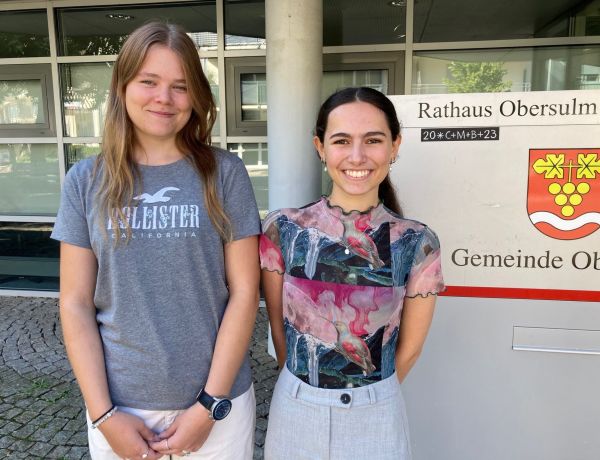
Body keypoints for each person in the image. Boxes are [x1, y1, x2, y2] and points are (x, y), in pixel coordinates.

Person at [51, 22, 260, 460]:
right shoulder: (85, 182)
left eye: (180, 86)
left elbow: (244, 292)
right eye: (149, 81)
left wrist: (209, 406)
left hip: (217, 407)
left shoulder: (225, 174)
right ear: (123, 85)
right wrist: (103, 415)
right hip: (122, 410)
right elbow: (74, 303)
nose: (164, 98)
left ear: (197, 97)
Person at [259, 87, 445, 460]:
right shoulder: (283, 229)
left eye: (373, 140)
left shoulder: (418, 242)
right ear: (320, 147)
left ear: (394, 146)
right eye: (341, 140)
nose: (357, 156)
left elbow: (409, 349)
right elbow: (279, 328)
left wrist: (369, 395)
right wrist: (303, 386)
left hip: (376, 412)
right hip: (295, 408)